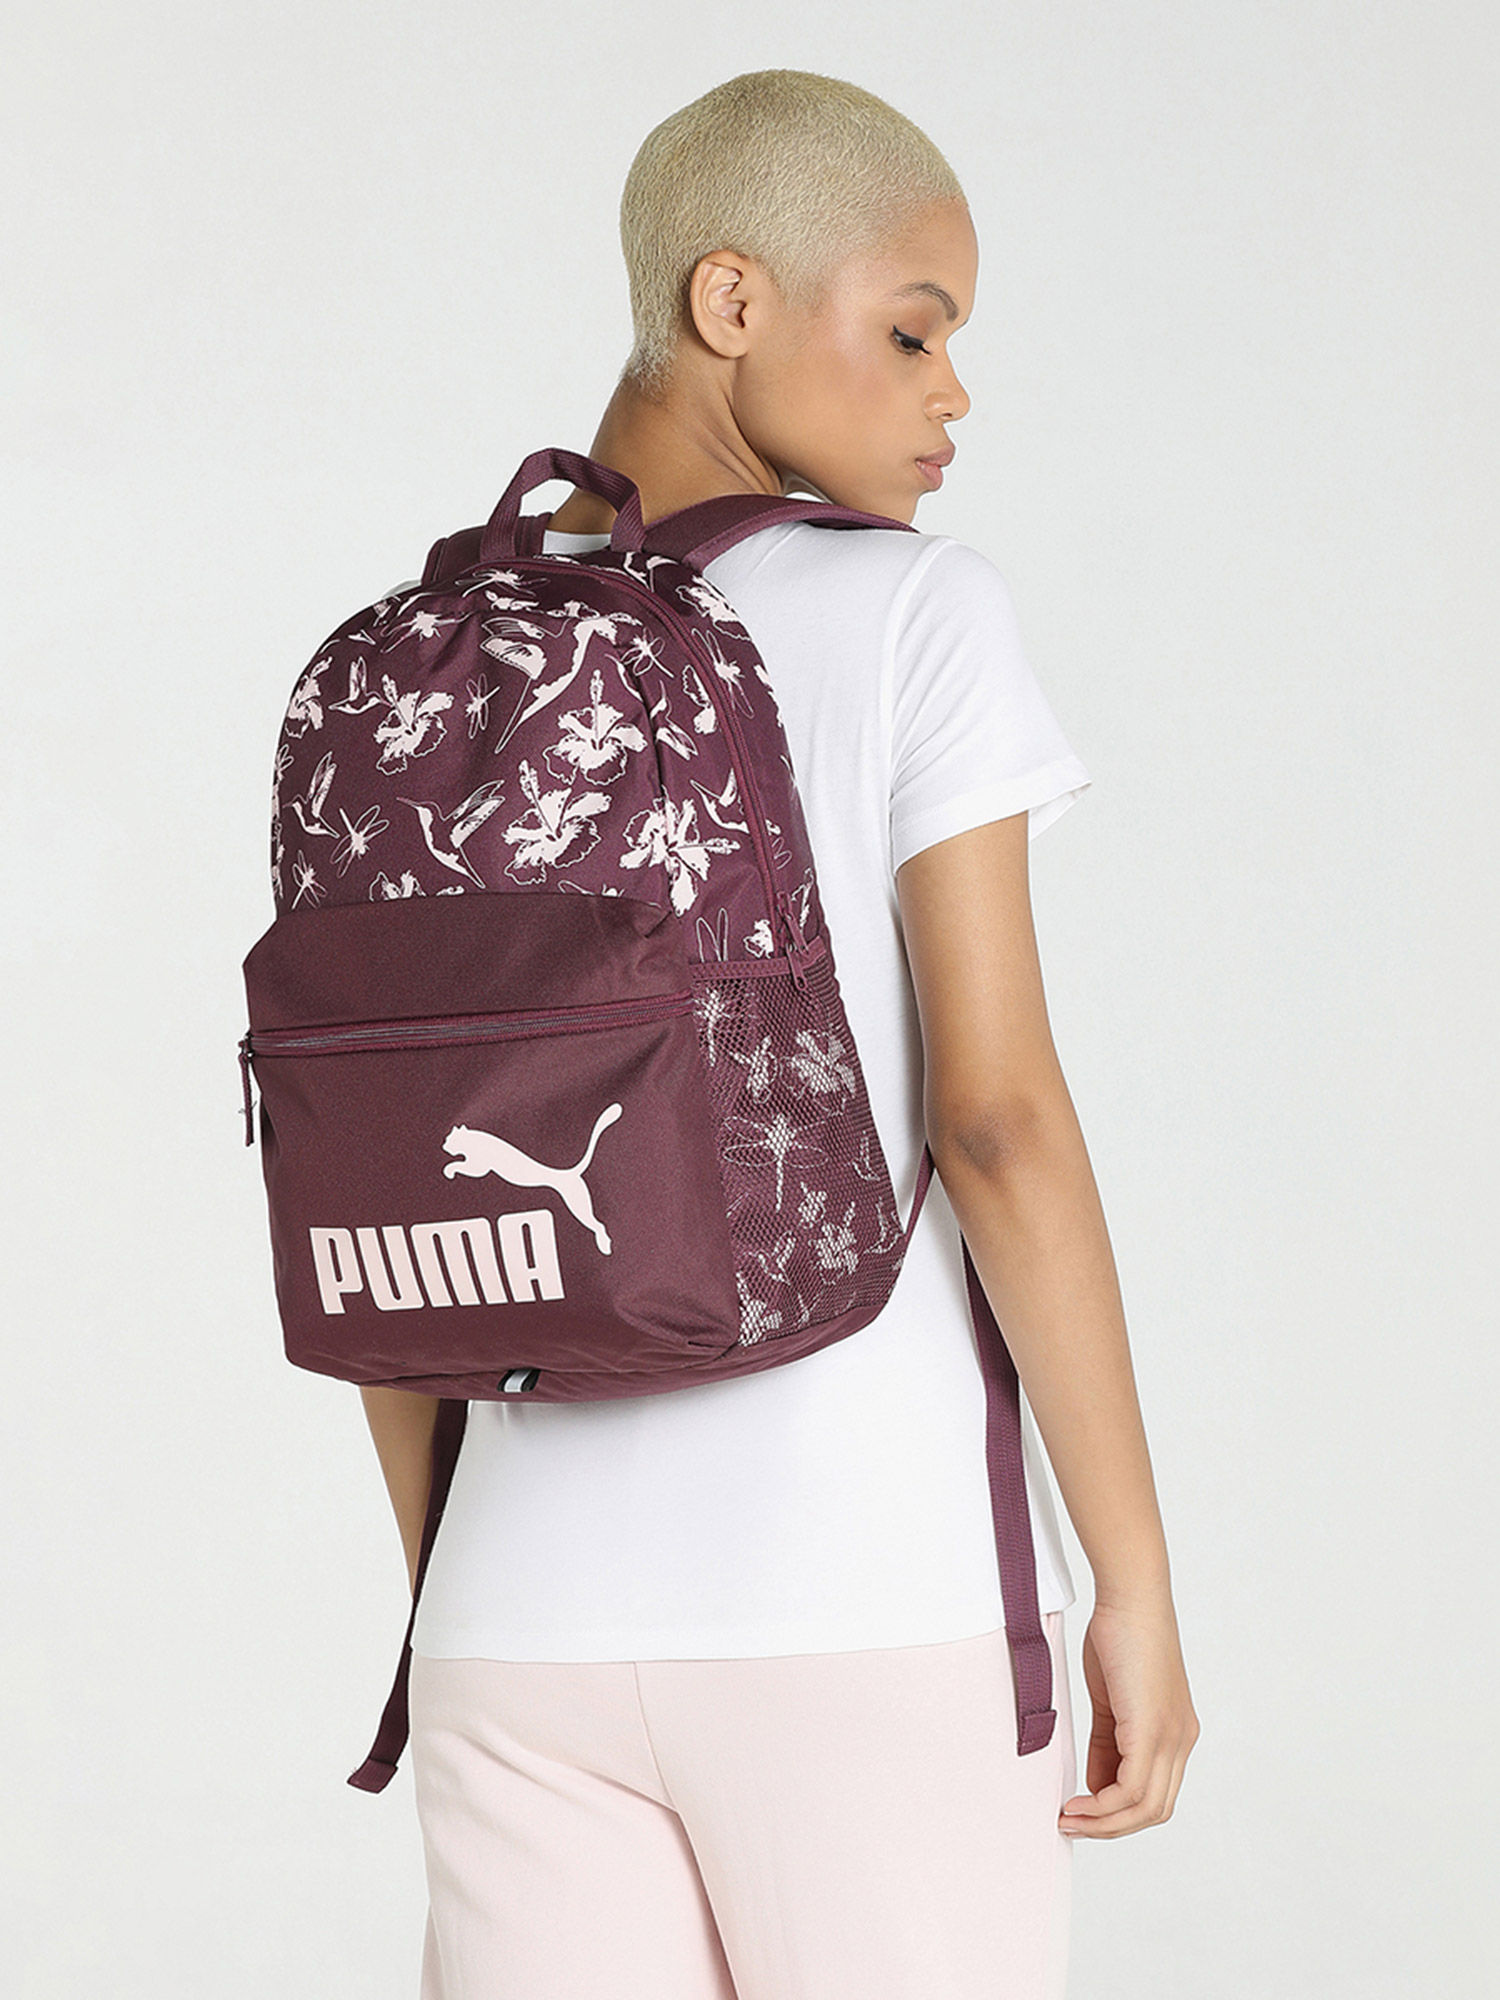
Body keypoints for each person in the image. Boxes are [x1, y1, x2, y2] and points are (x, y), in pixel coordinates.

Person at [356, 69, 1200, 2000]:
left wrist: (456, 1585)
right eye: (913, 331)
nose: (953, 393)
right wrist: (1132, 1581)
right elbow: (996, 1124)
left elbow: (385, 1179)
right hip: (864, 1603)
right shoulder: (913, 614)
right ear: (728, 300)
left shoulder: (432, 665)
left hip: (513, 1621)